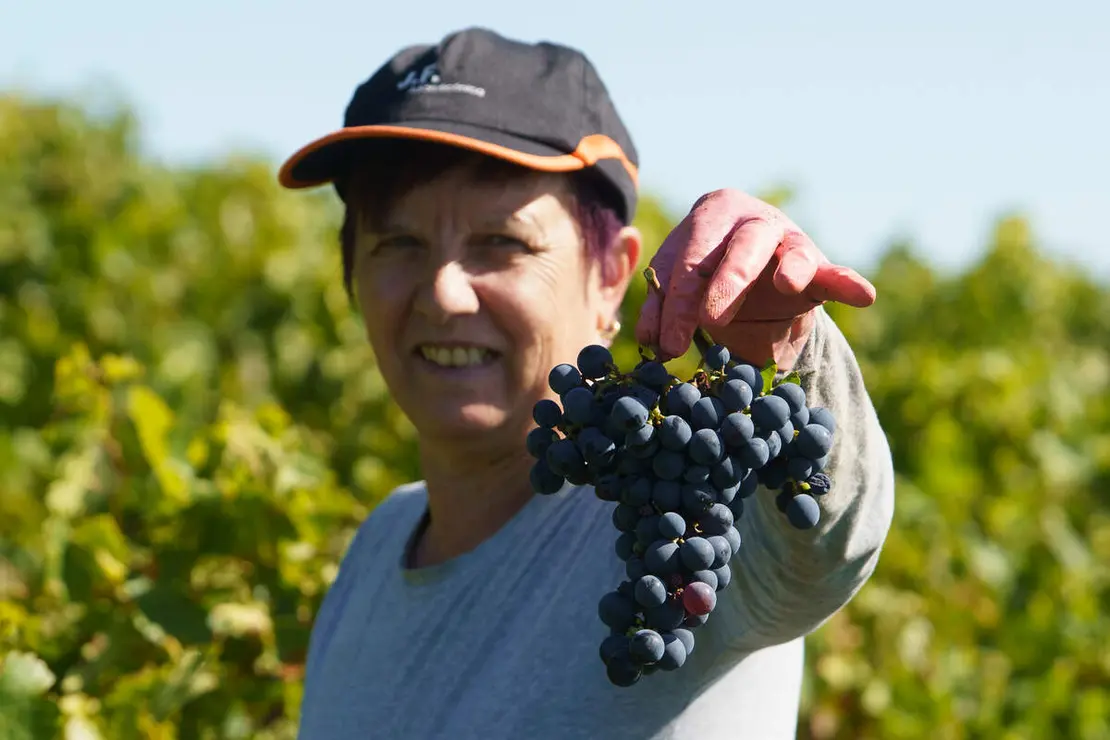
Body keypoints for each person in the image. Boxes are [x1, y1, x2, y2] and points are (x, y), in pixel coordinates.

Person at [277, 26, 895, 740]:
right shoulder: (376, 549)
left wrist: (787, 353)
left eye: (501, 243)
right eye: (398, 244)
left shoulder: (680, 516)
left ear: (611, 275)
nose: (443, 294)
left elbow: (828, 540)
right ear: (350, 272)